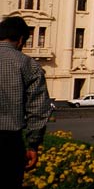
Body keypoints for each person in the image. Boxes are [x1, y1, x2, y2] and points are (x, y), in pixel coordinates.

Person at [0, 16, 52, 189]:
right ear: (21, 39)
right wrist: (33, 144)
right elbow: (38, 108)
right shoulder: (28, 64)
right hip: (8, 142)